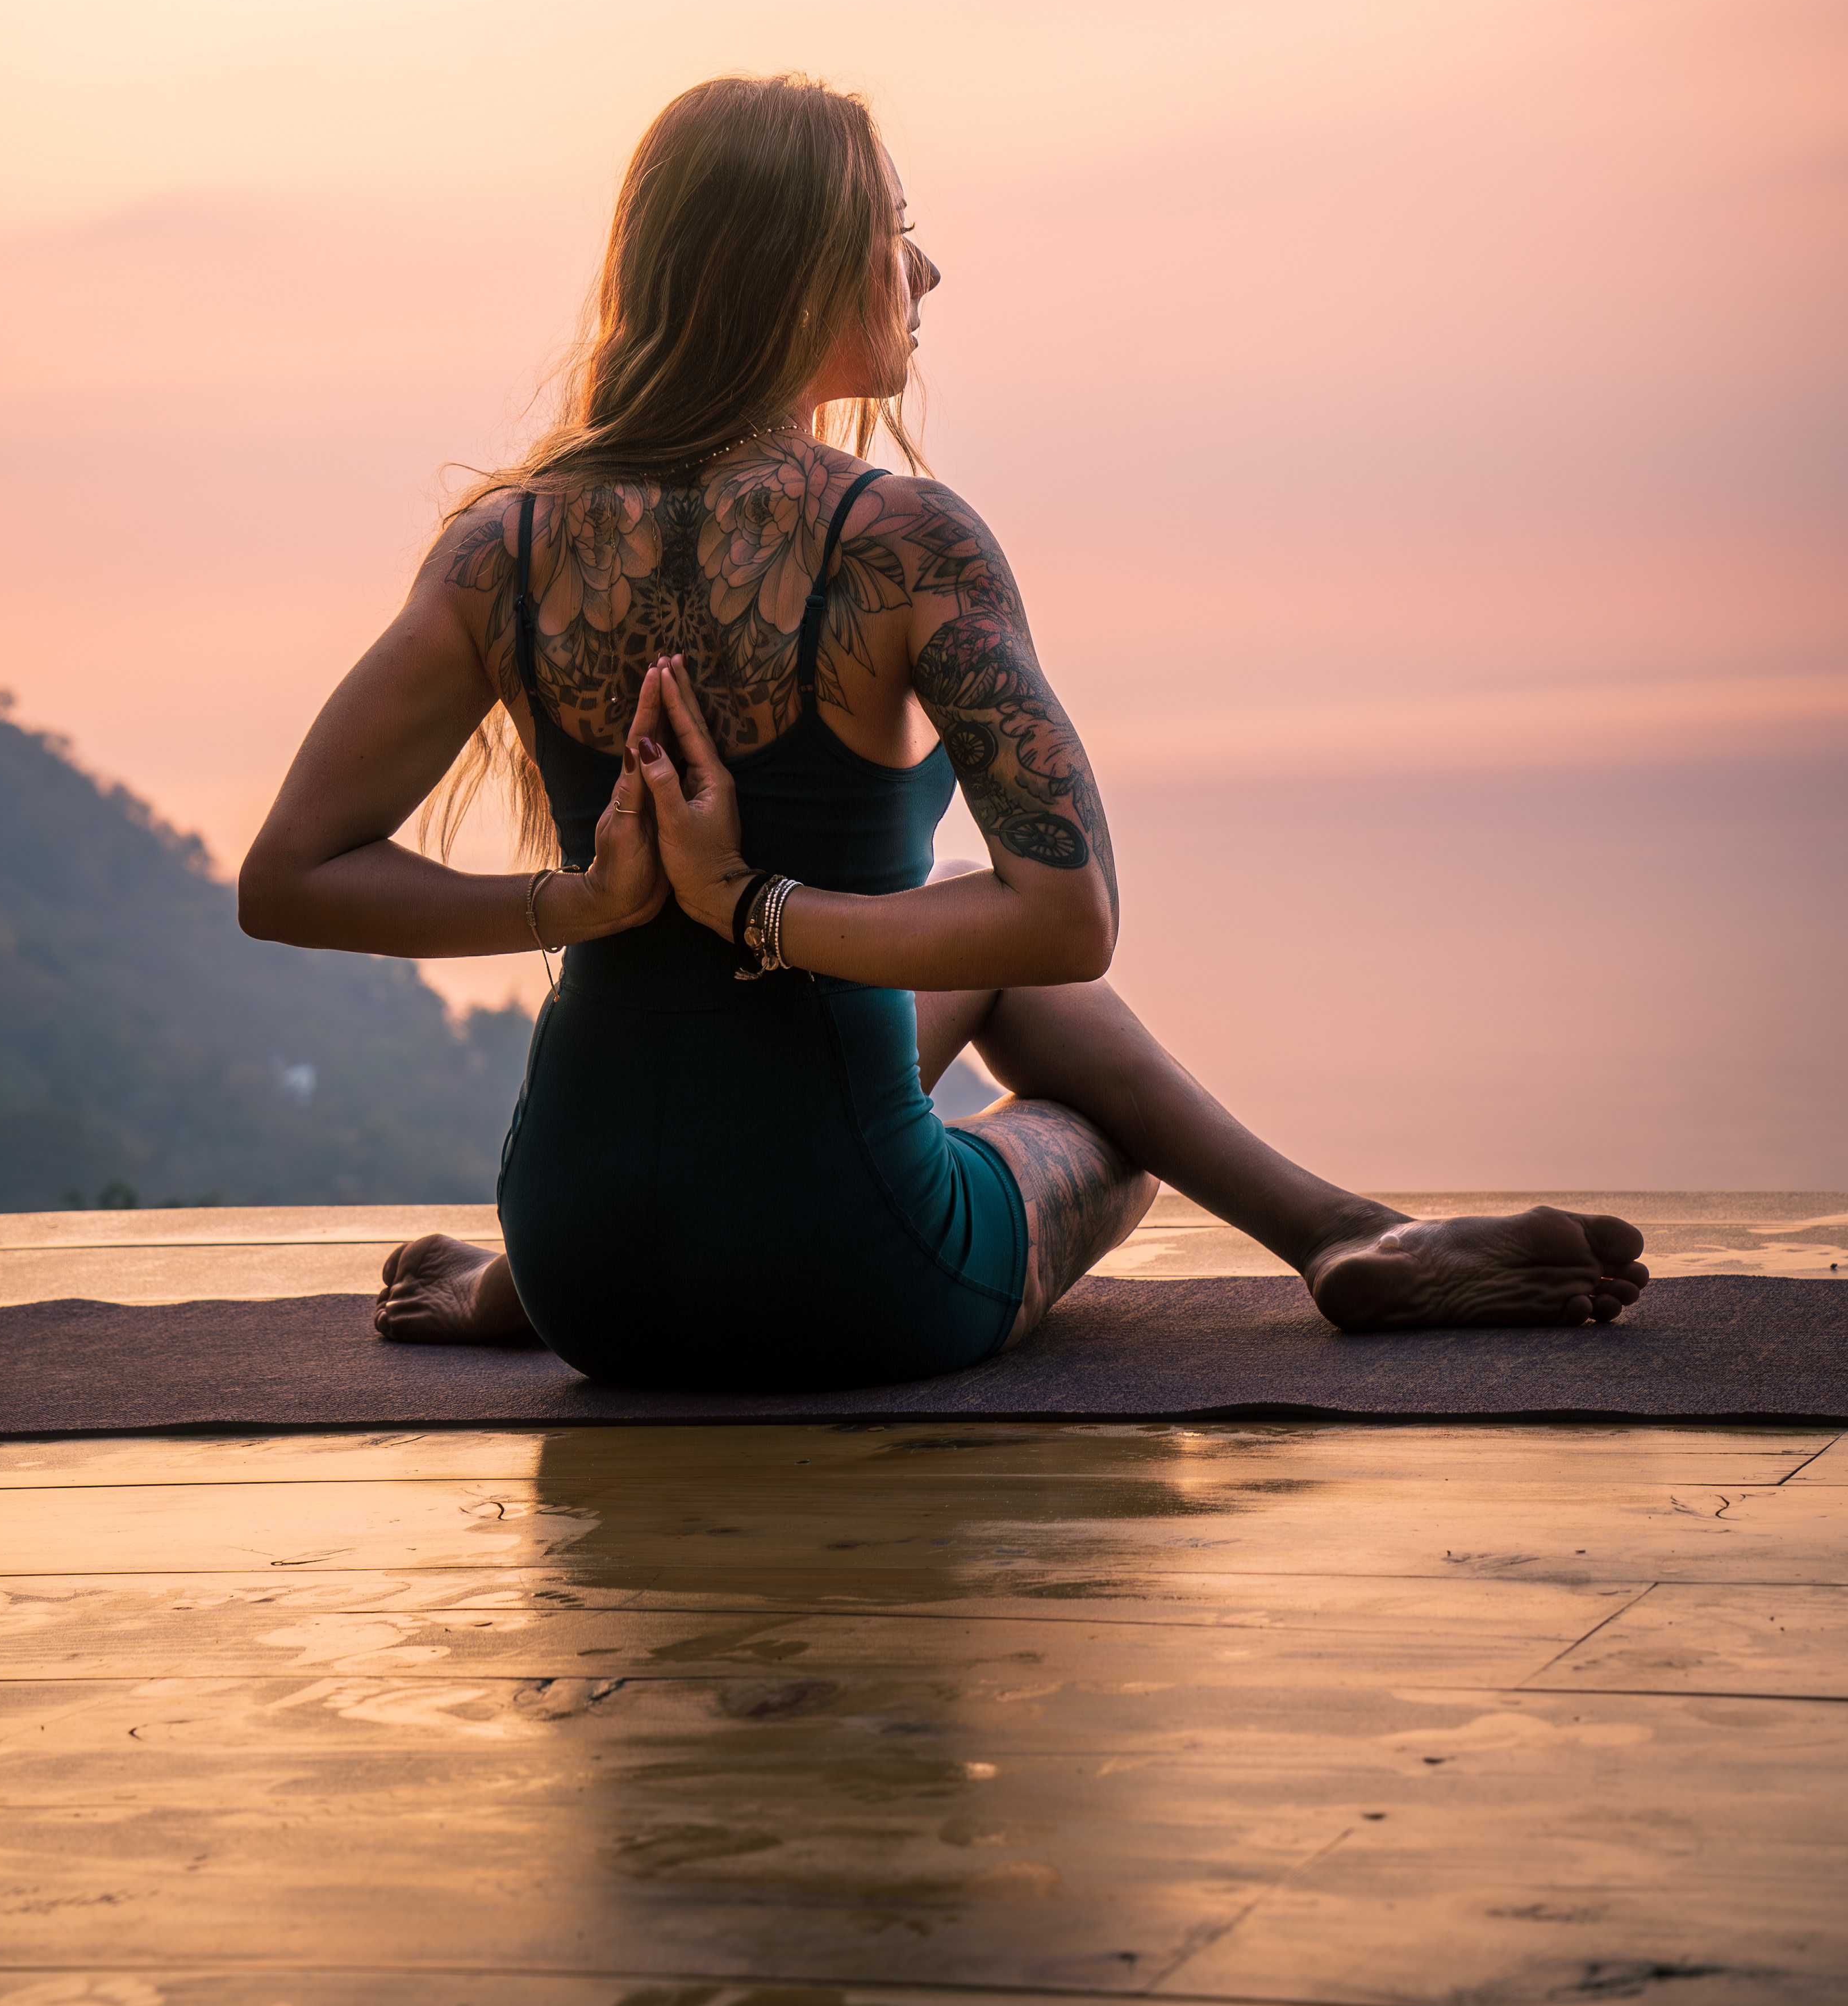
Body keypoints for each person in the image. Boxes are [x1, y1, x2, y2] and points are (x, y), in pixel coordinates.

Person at [240, 73, 1646, 1384]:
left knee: (947, 949)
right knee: (1104, 1121)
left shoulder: (500, 548)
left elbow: (288, 878)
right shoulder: (904, 542)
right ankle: (1344, 1234)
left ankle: (507, 1288)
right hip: (850, 1269)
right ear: (797, 271)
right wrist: (757, 909)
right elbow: (1070, 917)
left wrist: (593, 900)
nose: (922, 271)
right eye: (893, 232)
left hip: (582, 1267)